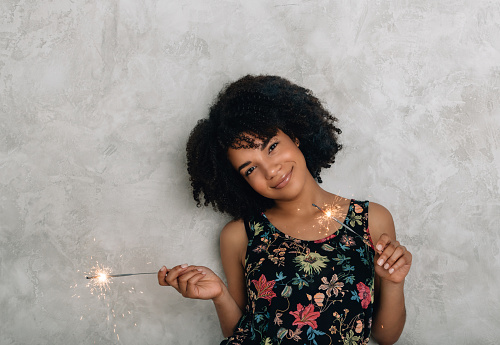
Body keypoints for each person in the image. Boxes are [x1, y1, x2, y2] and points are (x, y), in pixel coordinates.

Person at [157, 75, 412, 344]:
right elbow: (242, 333)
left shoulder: (371, 220)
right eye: (251, 169)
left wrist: (395, 282)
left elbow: (385, 336)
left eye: (272, 147)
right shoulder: (239, 235)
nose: (271, 170)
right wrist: (220, 294)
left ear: (295, 136)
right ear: (239, 182)